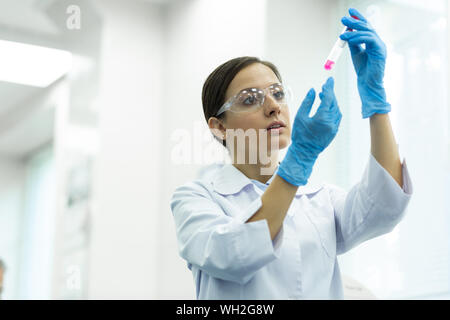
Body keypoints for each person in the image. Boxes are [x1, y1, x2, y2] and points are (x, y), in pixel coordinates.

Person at [170, 8, 412, 299]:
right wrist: (300, 160)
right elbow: (233, 254)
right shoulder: (196, 199)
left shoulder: (320, 198)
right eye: (250, 99)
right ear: (219, 126)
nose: (273, 106)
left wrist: (375, 99)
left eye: (278, 93)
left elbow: (385, 206)